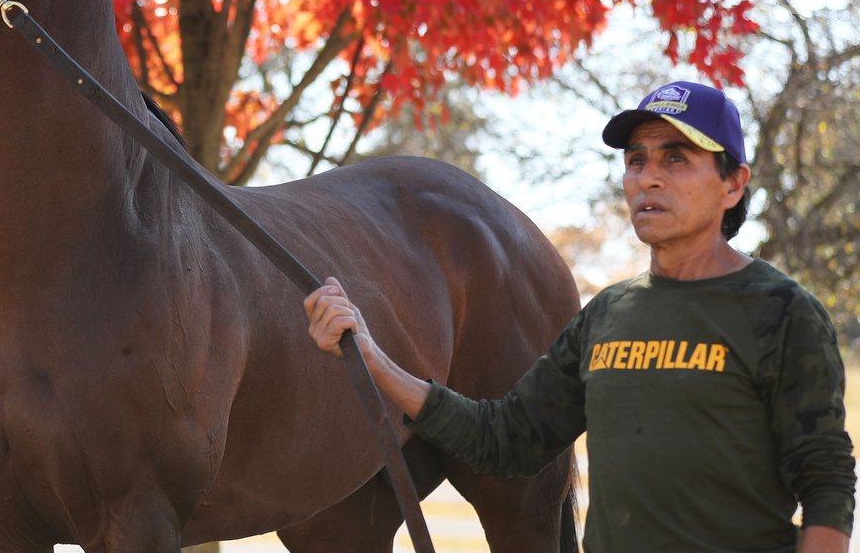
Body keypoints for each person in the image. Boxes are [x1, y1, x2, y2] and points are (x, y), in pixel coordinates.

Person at [305, 80, 855, 552]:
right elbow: (506, 437)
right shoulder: (610, 314)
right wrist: (376, 360)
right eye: (636, 159)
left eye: (676, 158)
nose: (648, 178)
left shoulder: (782, 313)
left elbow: (826, 479)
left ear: (734, 183)